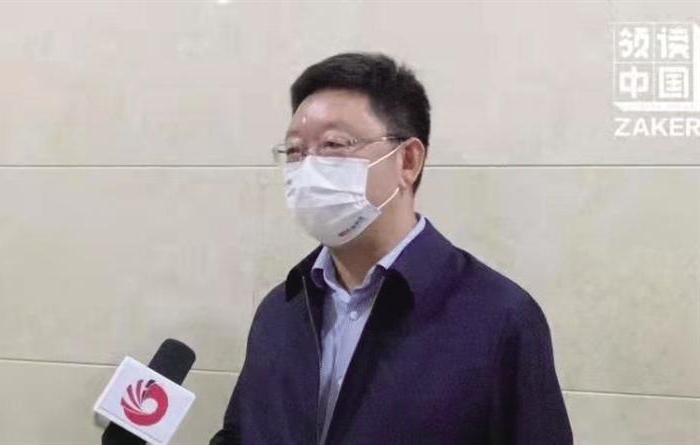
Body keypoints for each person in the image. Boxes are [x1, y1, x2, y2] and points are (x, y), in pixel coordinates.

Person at [210, 52, 573, 445]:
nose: (308, 168)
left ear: (408, 161)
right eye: (295, 151)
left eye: (334, 144)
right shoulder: (281, 310)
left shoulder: (498, 319)